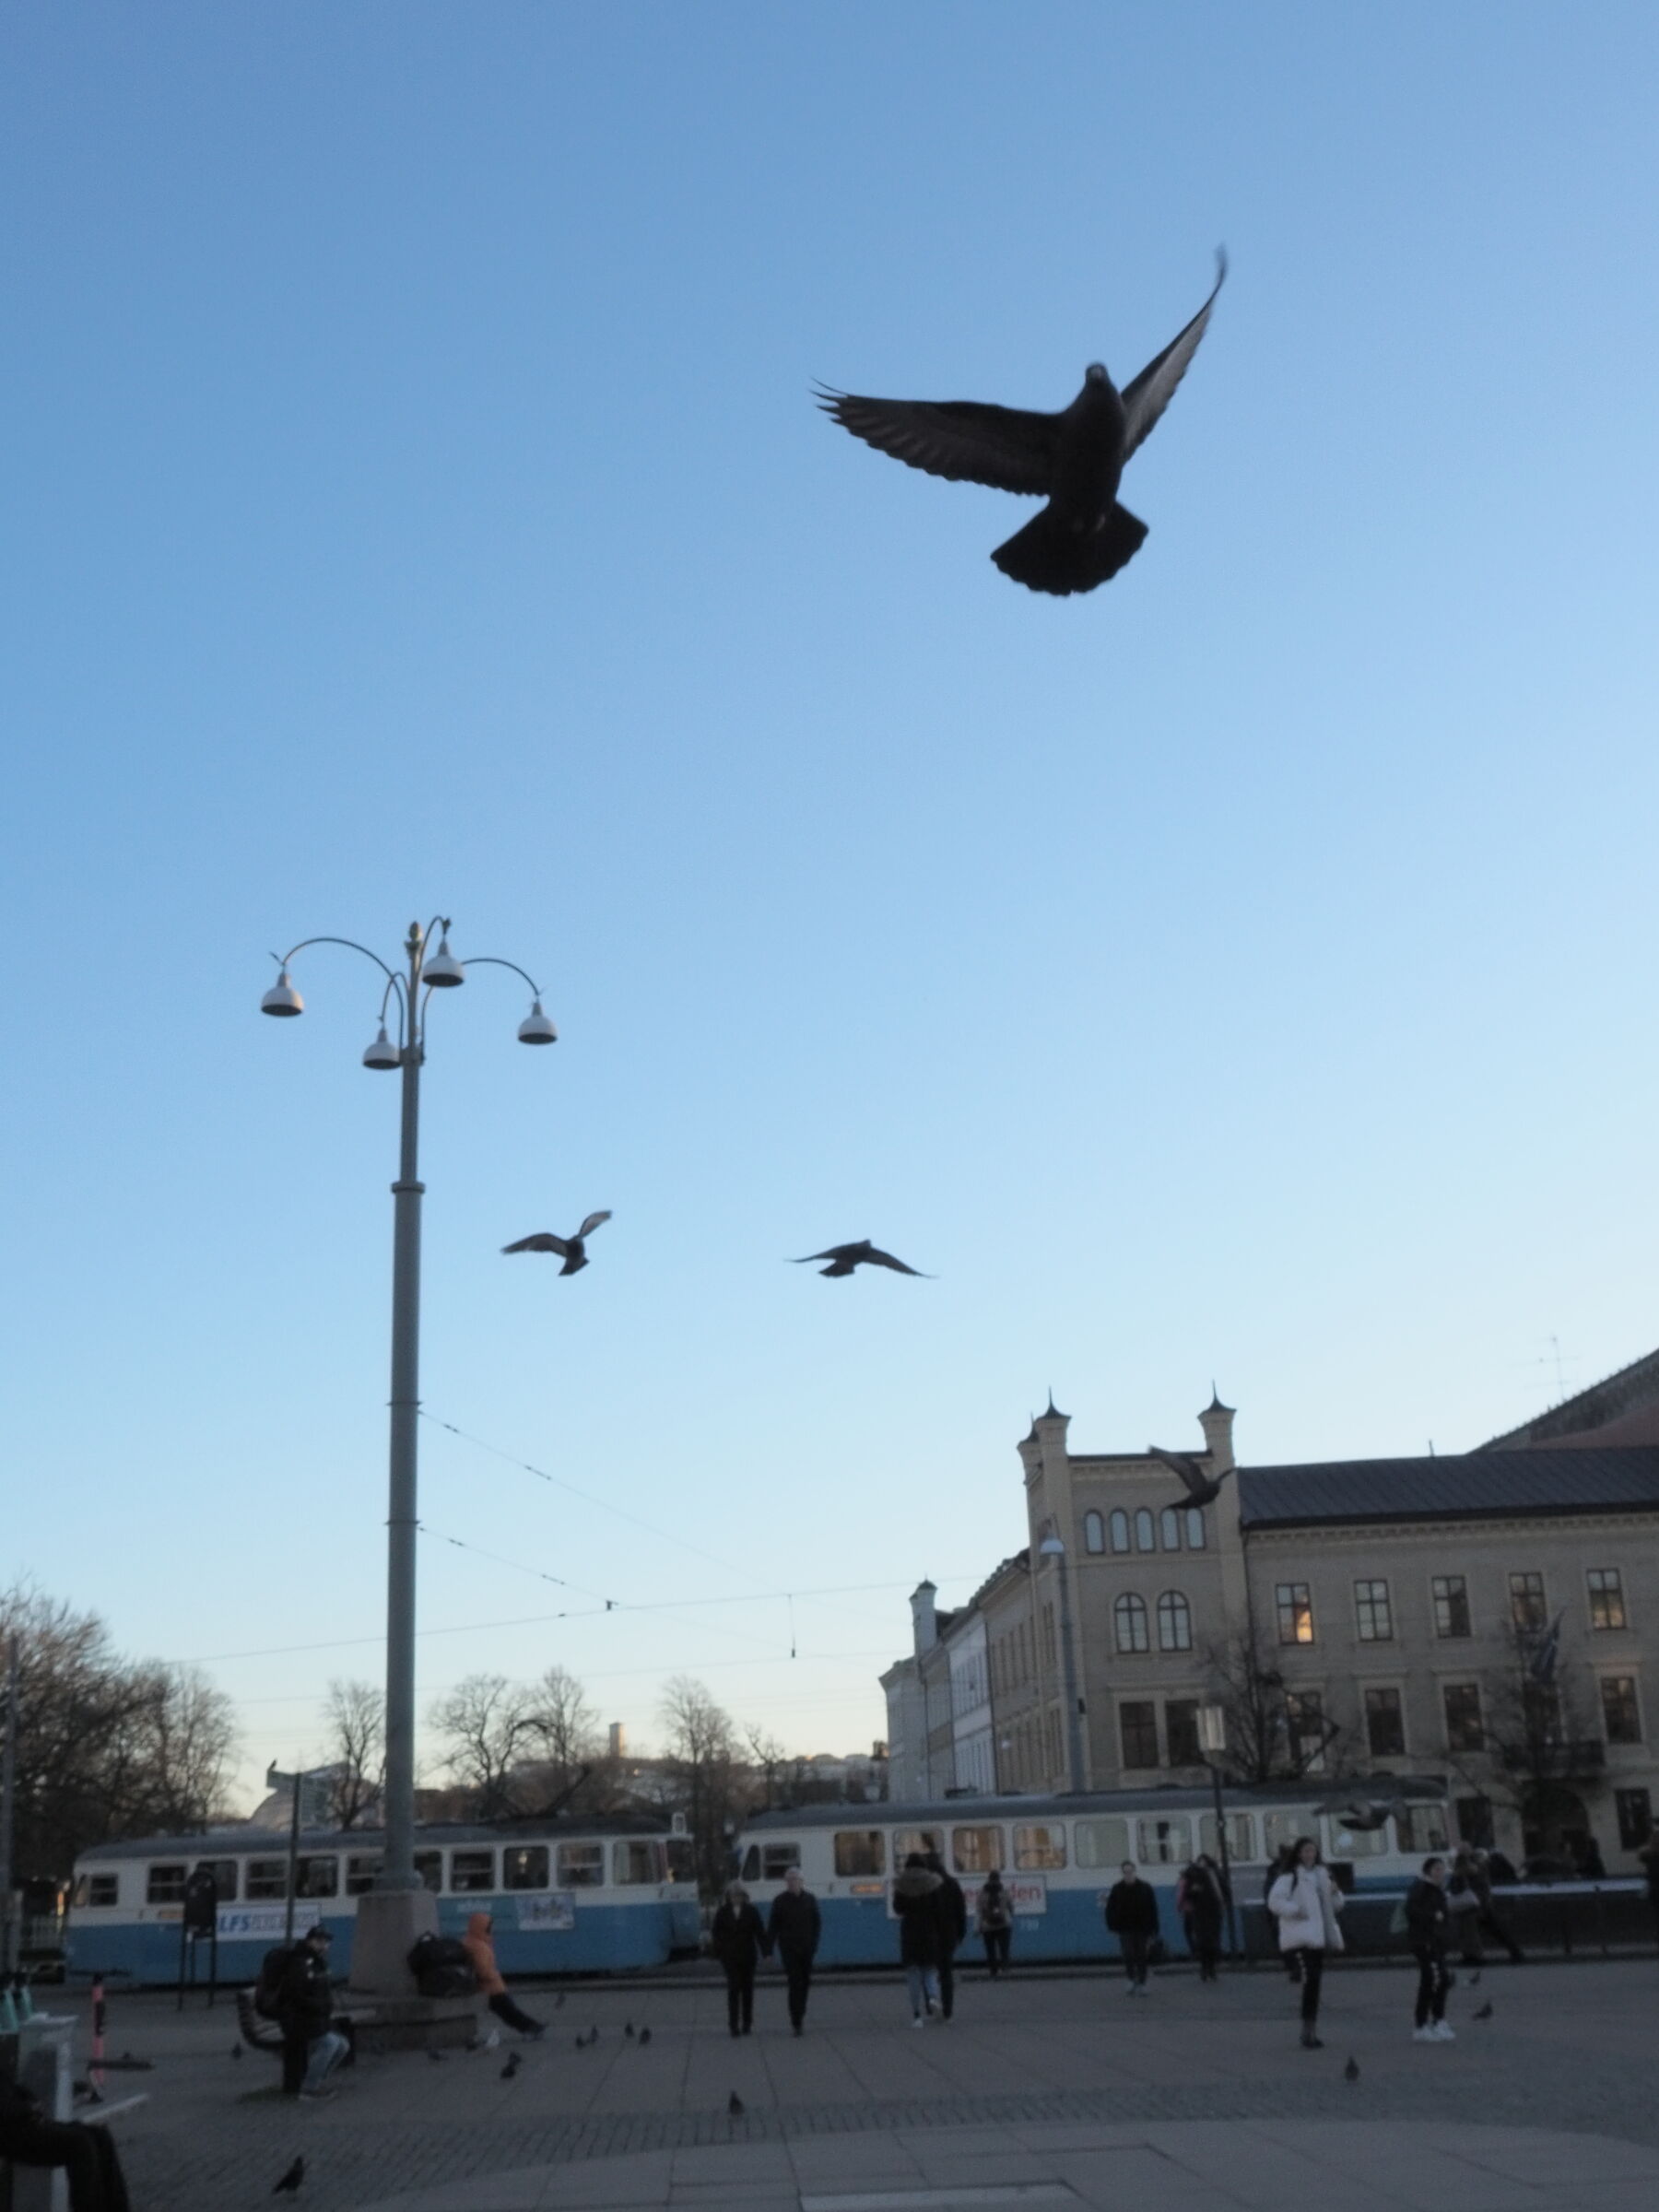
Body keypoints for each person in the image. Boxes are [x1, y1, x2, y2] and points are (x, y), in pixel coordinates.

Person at [0, 2072, 133, 2212]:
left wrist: (30, 2102)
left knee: (99, 2134)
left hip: (23, 2123)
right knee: (80, 2144)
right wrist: (26, 2108)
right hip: (10, 2134)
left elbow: (10, 2088)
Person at [1266, 1836, 1344, 2049]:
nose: (1310, 1855)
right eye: (1306, 1851)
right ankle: (1306, 2031)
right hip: (1299, 1936)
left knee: (1314, 1984)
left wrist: (1336, 1894)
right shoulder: (1289, 1877)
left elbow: (1334, 1906)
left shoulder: (1322, 1876)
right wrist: (1295, 1911)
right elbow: (1274, 1901)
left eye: (1313, 1851)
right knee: (1310, 1980)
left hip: (1317, 1938)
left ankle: (1310, 2030)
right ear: (1299, 1854)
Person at [276, 1923, 349, 2100]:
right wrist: (320, 2006)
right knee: (330, 2044)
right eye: (319, 1941)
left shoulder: (318, 1962)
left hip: (312, 2018)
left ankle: (317, 2081)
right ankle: (309, 2089)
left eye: (326, 1941)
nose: (324, 1945)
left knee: (342, 2045)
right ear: (310, 1941)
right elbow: (297, 1995)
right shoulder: (301, 1963)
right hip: (298, 2019)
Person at [462, 1911, 547, 2042]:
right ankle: (533, 2028)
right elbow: (483, 1971)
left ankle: (533, 2027)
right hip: (491, 1988)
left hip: (488, 1988)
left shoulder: (471, 1942)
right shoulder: (480, 1947)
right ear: (482, 1928)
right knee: (510, 2012)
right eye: (489, 1927)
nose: (491, 1930)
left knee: (508, 2013)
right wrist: (495, 1975)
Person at [1405, 1855, 1454, 2043]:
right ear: (1428, 1872)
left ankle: (1438, 2020)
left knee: (1441, 1979)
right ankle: (1422, 2024)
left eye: (1442, 1869)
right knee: (1432, 1979)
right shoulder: (1421, 1888)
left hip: (1436, 1942)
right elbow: (1411, 1910)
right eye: (1436, 1870)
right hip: (1424, 1941)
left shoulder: (1438, 1890)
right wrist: (1433, 1916)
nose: (1440, 1873)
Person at [767, 1866, 821, 2036]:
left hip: (806, 1948)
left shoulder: (810, 1900)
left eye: (795, 1879)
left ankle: (801, 2013)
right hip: (789, 1949)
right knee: (794, 1983)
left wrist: (814, 1944)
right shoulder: (779, 1901)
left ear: (801, 1881)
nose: (792, 1883)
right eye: (789, 1880)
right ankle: (796, 2020)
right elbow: (773, 1927)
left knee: (805, 1983)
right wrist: (768, 1950)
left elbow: (817, 1924)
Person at [891, 1853, 945, 2026]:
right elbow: (938, 1909)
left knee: (913, 1976)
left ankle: (917, 2015)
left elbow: (898, 1908)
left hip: (909, 1933)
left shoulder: (902, 1884)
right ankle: (934, 1998)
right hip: (929, 1932)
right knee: (930, 1972)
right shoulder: (932, 1883)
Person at [711, 1881, 770, 2037]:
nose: (735, 1898)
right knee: (733, 1989)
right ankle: (733, 2025)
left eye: (738, 1895)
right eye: (733, 1895)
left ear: (744, 1897)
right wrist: (719, 1951)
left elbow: (760, 1932)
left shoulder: (752, 1911)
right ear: (728, 1897)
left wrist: (766, 1952)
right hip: (730, 1957)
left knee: (748, 1990)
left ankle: (747, 2023)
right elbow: (716, 1933)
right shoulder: (722, 1912)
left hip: (748, 1956)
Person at [924, 1851, 968, 2021]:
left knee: (928, 1970)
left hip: (929, 1934)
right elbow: (961, 1910)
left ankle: (931, 2003)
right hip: (949, 1934)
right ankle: (948, 2009)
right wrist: (961, 1933)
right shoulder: (952, 1883)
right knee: (946, 1972)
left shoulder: (925, 1885)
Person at [1103, 1861, 1159, 1994]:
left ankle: (1142, 1982)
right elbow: (1110, 1909)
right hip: (1124, 1928)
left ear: (1134, 1871)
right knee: (1128, 1955)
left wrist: (1154, 1929)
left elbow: (1153, 1909)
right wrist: (1112, 1926)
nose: (1128, 1874)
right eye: (1125, 1872)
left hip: (1142, 1928)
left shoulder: (1145, 1887)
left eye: (1130, 1871)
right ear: (1122, 1873)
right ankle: (1131, 1978)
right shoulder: (1117, 1888)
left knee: (1141, 1956)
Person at [1467, 1849, 1524, 1963]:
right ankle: (1515, 1951)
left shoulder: (1479, 1869)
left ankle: (1473, 1955)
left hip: (1481, 1905)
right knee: (1497, 1930)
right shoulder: (1490, 1866)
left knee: (1475, 1931)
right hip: (1487, 1904)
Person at [1177, 1853, 1228, 1982]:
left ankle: (1210, 1968)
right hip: (1200, 1913)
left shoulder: (1216, 1874)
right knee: (1203, 1942)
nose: (1202, 1864)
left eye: (1203, 1862)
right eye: (1200, 1862)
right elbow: (1187, 1894)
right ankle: (1206, 1968)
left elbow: (1224, 1890)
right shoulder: (1195, 1876)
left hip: (1213, 1912)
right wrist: (1193, 1891)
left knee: (1212, 1942)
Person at [1265, 1845, 1301, 1981]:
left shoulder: (1275, 1871)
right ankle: (1297, 1968)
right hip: (1292, 1912)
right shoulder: (1295, 1871)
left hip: (1280, 1914)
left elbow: (1269, 1894)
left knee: (1285, 1942)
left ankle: (1293, 1967)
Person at [976, 1870, 1013, 1978]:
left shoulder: (982, 1893)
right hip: (1004, 1924)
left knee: (990, 1949)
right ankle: (1004, 1967)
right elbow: (1010, 1907)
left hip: (988, 1925)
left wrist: (979, 1926)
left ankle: (993, 1970)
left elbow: (979, 1910)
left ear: (989, 1879)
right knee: (1004, 1948)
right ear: (999, 1879)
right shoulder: (1004, 1892)